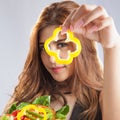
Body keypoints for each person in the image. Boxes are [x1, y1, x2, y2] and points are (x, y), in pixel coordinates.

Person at [3, 1, 120, 120]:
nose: (52, 59)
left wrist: (112, 47)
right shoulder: (26, 101)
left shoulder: (102, 99)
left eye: (62, 45)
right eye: (43, 48)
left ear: (81, 46)